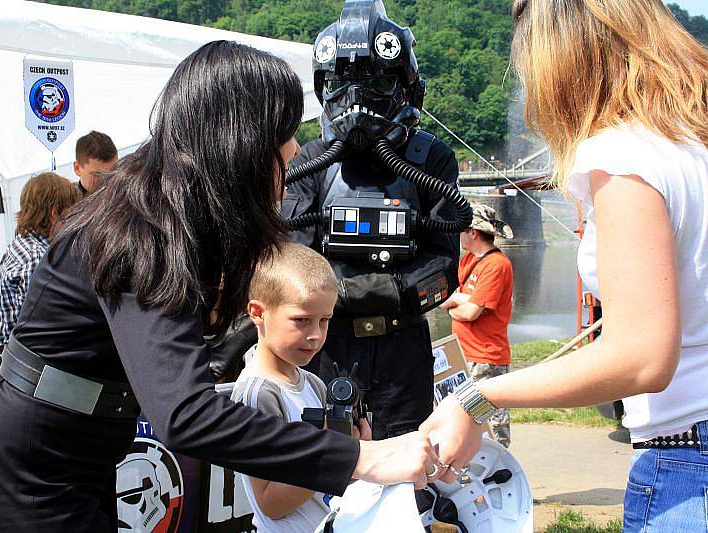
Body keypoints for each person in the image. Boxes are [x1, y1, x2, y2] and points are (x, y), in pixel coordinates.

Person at [0, 41, 438, 532]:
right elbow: (186, 415)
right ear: (240, 140)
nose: (293, 151)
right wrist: (360, 457)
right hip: (28, 486)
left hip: (68, 469)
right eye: (284, 134)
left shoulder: (160, 217)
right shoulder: (143, 234)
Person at [421, 2, 708, 531]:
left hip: (689, 454)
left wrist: (477, 396)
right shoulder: (691, 143)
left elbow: (642, 357)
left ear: (563, 58)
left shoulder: (626, 155)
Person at [285, 0, 464, 441]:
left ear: (406, 88)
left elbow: (443, 266)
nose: (357, 102)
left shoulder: (430, 159)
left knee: (407, 471)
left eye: (378, 81)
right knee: (324, 470)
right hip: (325, 348)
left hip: (400, 353)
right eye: (342, 85)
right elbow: (289, 262)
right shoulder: (312, 161)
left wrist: (357, 291)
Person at [232, 242, 371, 532]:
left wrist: (358, 450)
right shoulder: (257, 394)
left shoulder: (314, 383)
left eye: (325, 321)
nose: (316, 336)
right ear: (258, 312)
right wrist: (340, 453)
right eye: (301, 321)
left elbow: (335, 482)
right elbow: (270, 504)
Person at [441, 204, 514, 447]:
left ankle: (502, 469)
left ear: (473, 232)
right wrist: (459, 302)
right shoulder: (468, 261)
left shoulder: (496, 265)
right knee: (465, 414)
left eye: (462, 229)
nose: (458, 234)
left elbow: (471, 312)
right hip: (465, 352)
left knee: (491, 419)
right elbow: (447, 300)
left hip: (486, 355)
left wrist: (459, 304)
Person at [0, 172, 80, 345]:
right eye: (71, 214)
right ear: (55, 212)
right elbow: (40, 328)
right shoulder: (38, 257)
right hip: (25, 362)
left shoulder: (19, 245)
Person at [73, 130, 118, 196]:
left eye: (112, 173)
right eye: (97, 175)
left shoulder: (128, 194)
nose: (105, 181)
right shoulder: (67, 203)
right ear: (77, 169)